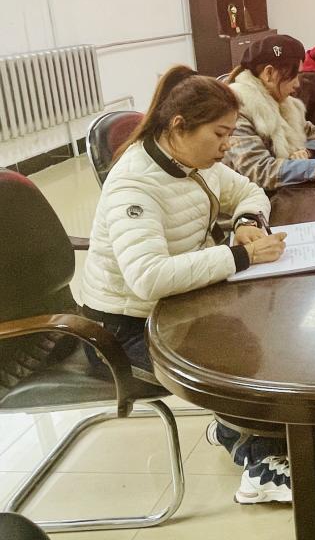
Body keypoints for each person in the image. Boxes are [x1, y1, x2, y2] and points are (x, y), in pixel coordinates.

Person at [75, 65, 294, 504]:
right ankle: (258, 465)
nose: (227, 145)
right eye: (219, 134)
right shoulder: (134, 184)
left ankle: (236, 428)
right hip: (121, 330)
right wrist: (241, 255)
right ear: (178, 126)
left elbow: (250, 191)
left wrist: (248, 223)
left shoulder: (195, 162)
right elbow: (148, 277)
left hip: (175, 303)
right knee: (236, 354)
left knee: (268, 326)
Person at [223, 34, 315, 188]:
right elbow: (260, 172)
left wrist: (307, 152)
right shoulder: (237, 110)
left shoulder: (286, 105)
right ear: (269, 73)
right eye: (293, 76)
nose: (297, 84)